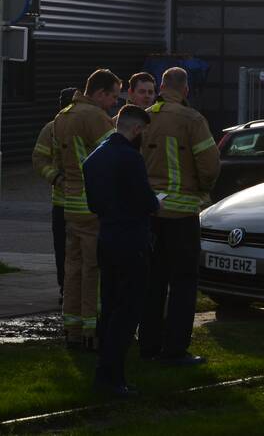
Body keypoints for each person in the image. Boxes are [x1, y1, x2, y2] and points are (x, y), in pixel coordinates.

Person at [139, 67, 220, 365]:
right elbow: (210, 165)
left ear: (161, 86)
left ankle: (147, 346)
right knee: (184, 283)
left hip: (150, 214)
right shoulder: (192, 119)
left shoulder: (145, 117)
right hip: (183, 214)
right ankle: (174, 350)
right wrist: (202, 189)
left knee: (153, 282)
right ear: (185, 90)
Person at [84, 105, 160, 397]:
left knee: (110, 304)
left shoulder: (95, 158)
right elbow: (145, 200)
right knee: (127, 311)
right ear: (137, 129)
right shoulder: (131, 158)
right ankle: (112, 376)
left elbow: (94, 205)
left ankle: (104, 370)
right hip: (132, 240)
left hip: (107, 237)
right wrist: (155, 203)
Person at [54, 70, 120, 350]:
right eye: (114, 96)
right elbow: (114, 156)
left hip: (71, 203)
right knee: (93, 270)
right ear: (100, 93)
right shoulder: (95, 117)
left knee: (73, 269)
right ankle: (93, 332)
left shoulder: (63, 116)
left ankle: (72, 329)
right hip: (94, 205)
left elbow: (56, 159)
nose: (115, 103)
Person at [31, 87, 77, 301]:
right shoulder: (51, 129)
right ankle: (65, 288)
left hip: (85, 202)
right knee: (63, 249)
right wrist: (56, 178)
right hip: (62, 202)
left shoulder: (87, 124)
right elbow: (39, 159)